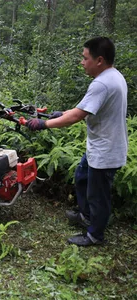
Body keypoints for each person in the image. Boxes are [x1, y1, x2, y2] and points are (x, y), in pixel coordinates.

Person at [26, 37, 128, 246]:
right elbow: (84, 109)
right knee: (82, 175)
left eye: (85, 58)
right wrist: (60, 113)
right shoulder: (114, 76)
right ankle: (86, 215)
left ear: (99, 60)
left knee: (98, 195)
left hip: (105, 151)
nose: (82, 62)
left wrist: (43, 124)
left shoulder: (101, 83)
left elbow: (75, 117)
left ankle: (94, 235)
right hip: (102, 146)